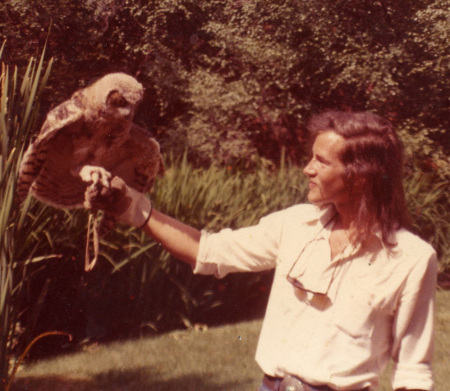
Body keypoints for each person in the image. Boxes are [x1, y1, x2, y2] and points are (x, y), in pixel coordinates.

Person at [85, 111, 437, 391]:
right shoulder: (294, 225)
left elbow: (413, 370)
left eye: (322, 162)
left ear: (362, 176)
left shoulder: (411, 259)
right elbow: (208, 250)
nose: (307, 169)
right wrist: (132, 206)